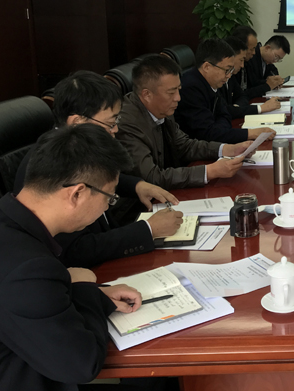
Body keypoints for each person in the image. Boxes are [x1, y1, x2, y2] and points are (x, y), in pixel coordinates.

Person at [0, 125, 162, 391]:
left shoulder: (2, 218)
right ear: (77, 194)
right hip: (22, 390)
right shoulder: (28, 270)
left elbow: (29, 304)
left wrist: (91, 292)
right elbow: (82, 365)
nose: (107, 207)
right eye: (109, 198)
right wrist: (83, 286)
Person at [13, 71, 183, 267]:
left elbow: (95, 178)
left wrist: (136, 186)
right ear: (77, 122)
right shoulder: (51, 167)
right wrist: (148, 229)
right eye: (110, 123)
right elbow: (74, 251)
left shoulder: (75, 147)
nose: (115, 129)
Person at [116, 54, 253, 189]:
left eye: (178, 90)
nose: (178, 98)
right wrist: (209, 171)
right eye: (171, 93)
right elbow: (151, 177)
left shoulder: (162, 107)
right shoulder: (126, 124)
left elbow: (184, 146)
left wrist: (227, 149)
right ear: (147, 95)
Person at [174, 38, 277, 144]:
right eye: (227, 70)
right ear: (207, 67)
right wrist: (250, 133)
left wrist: (220, 129)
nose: (229, 75)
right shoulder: (190, 88)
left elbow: (225, 114)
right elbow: (208, 134)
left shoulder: (211, 82)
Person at [222, 35, 281, 119]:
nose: (254, 52)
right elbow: (224, 110)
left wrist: (236, 108)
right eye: (252, 49)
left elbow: (242, 95)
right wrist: (260, 108)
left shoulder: (231, 76)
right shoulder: (220, 78)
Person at [243, 33, 291, 98]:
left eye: (279, 59)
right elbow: (253, 83)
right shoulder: (251, 57)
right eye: (276, 57)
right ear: (267, 48)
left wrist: (276, 81)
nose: (275, 61)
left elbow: (273, 71)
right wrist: (267, 83)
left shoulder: (267, 61)